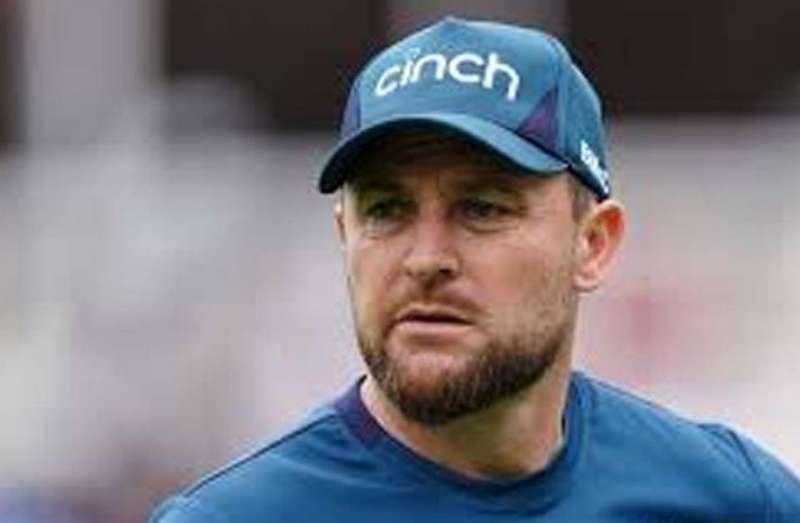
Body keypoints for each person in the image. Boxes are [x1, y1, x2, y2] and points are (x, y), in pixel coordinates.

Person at [149, 17, 800, 522]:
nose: (426, 258)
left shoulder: (731, 500)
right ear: (344, 235)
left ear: (593, 244)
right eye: (387, 210)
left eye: (482, 209)